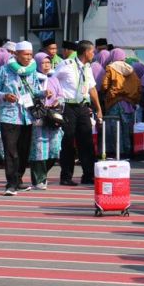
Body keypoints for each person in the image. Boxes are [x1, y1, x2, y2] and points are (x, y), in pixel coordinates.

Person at [0, 41, 44, 195]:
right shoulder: (4, 70)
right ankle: (11, 184)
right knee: (11, 151)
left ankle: (19, 179)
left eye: (30, 54)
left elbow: (35, 90)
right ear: (16, 54)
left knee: (23, 151)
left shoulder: (32, 71)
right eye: (25, 54)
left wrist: (44, 93)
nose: (29, 57)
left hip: (27, 116)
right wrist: (4, 96)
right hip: (9, 116)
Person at [54, 40, 102, 186]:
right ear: (86, 52)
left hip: (82, 107)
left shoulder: (88, 68)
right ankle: (66, 176)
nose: (93, 54)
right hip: (68, 106)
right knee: (68, 140)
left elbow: (92, 88)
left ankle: (88, 175)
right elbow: (53, 80)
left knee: (86, 141)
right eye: (92, 51)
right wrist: (56, 99)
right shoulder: (66, 65)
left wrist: (99, 108)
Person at [30, 53, 63, 190]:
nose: (46, 65)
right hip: (39, 117)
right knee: (39, 149)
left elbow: (61, 95)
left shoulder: (54, 79)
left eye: (48, 63)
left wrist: (57, 101)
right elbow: (29, 95)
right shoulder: (32, 78)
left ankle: (43, 174)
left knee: (55, 148)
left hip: (53, 117)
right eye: (43, 63)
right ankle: (39, 179)